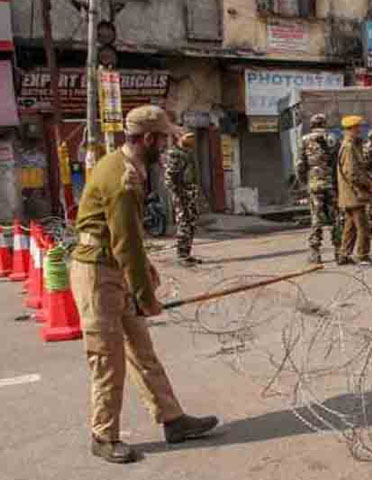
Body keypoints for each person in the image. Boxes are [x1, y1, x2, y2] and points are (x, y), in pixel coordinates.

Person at [71, 106, 218, 464]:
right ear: (148, 138)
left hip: (113, 267)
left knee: (142, 350)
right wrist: (145, 297)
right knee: (108, 358)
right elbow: (124, 244)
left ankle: (172, 419)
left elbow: (129, 238)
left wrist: (145, 270)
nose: (167, 146)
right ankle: (103, 436)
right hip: (97, 273)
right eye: (164, 139)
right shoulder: (123, 179)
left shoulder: (128, 168)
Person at [295, 113, 341, 265]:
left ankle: (315, 253)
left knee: (316, 218)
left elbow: (300, 165)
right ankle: (340, 251)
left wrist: (304, 181)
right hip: (332, 183)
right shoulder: (333, 138)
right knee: (336, 217)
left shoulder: (305, 140)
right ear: (324, 124)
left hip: (315, 184)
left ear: (312, 124)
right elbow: (339, 163)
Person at [337, 115, 372, 266]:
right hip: (354, 193)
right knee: (363, 227)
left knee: (350, 226)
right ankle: (363, 256)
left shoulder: (350, 145)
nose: (360, 129)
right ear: (350, 129)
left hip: (350, 193)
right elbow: (352, 173)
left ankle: (344, 255)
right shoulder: (349, 147)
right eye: (357, 127)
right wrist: (369, 184)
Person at [164, 130, 202, 266]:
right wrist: (179, 195)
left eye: (192, 137)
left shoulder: (188, 152)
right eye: (188, 137)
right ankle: (181, 255)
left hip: (190, 192)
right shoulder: (175, 154)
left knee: (191, 222)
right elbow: (169, 179)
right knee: (184, 223)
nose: (191, 139)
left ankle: (186, 253)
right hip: (182, 193)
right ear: (179, 138)